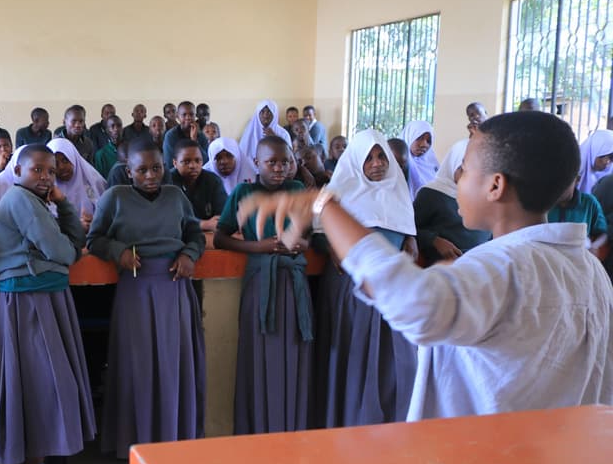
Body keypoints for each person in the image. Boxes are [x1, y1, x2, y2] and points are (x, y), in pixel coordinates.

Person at [238, 112, 613, 420]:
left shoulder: (501, 268)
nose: (456, 178)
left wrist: (324, 206)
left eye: (464, 170)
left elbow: (411, 300)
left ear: (495, 186)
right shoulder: (590, 270)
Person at [87, 140, 205, 457]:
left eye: (156, 168)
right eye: (142, 170)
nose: (151, 175)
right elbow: (95, 239)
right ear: (129, 171)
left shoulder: (176, 197)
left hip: (174, 287)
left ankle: (174, 438)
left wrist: (190, 254)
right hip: (136, 289)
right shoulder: (115, 197)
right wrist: (119, 252)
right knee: (136, 365)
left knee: (172, 364)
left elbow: (194, 234)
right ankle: (136, 443)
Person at [0, 143, 96, 464]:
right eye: (37, 169)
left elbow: (74, 242)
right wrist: (66, 251)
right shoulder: (20, 199)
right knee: (38, 383)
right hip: (28, 300)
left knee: (50, 381)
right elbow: (61, 250)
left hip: (45, 294)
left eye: (51, 171)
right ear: (17, 171)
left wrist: (63, 204)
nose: (46, 177)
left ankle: (45, 456)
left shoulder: (40, 202)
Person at [310, 130, 418, 428]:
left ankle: (390, 425)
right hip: (352, 287)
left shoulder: (399, 191)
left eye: (382, 156)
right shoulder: (337, 193)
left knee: (394, 362)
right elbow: (318, 233)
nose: (376, 163)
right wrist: (330, 245)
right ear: (355, 160)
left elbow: (404, 228)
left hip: (392, 288)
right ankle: (349, 421)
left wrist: (412, 238)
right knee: (354, 358)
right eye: (368, 158)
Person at [216, 136, 314, 434]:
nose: (279, 168)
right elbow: (221, 237)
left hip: (294, 284)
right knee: (260, 354)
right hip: (261, 284)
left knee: (293, 352)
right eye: (271, 162)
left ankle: (291, 425)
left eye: (285, 162)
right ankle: (258, 427)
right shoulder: (244, 192)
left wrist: (300, 243)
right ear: (257, 163)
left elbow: (312, 236)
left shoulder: (297, 190)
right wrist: (258, 247)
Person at [414, 140, 492, 263]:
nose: (469, 176)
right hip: (447, 265)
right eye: (463, 169)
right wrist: (434, 240)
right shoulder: (432, 194)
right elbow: (410, 230)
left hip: (480, 263)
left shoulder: (485, 195)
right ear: (453, 164)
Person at [48, 138, 107, 231]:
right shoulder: (47, 189)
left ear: (74, 158)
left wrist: (95, 222)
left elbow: (108, 214)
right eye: (55, 163)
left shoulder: (92, 181)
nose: (61, 167)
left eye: (65, 160)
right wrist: (75, 226)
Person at [170, 138, 227, 230]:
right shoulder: (168, 182)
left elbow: (222, 214)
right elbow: (170, 218)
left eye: (198, 161)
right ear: (175, 163)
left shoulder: (212, 180)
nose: (193, 166)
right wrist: (203, 224)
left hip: (210, 233)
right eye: (186, 162)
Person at [548, 175, 608, 245]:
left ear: (577, 180)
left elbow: (603, 234)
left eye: (565, 182)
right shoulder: (544, 202)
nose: (559, 187)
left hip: (579, 250)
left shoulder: (590, 203)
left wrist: (594, 246)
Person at [403, 121, 439, 200]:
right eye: (419, 138)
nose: (424, 145)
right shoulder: (399, 163)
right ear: (409, 136)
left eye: (428, 141)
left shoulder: (432, 165)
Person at [578, 130, 613, 194]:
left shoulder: (609, 178)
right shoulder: (571, 173)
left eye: (611, 158)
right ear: (593, 150)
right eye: (602, 155)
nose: (606, 162)